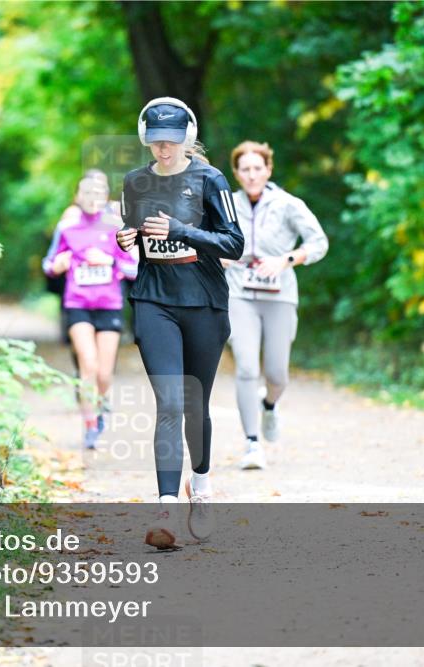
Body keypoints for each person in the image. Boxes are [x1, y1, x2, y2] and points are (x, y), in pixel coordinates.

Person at [115, 97, 244, 548]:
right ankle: (165, 510)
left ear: (187, 138)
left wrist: (180, 231)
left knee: (195, 404)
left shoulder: (210, 179)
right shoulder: (134, 182)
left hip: (204, 301)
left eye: (171, 142)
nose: (163, 150)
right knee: (170, 400)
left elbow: (233, 244)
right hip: (155, 300)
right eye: (155, 142)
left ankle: (202, 487)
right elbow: (136, 238)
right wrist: (125, 239)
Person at [224, 141, 328, 470]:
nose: (252, 175)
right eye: (245, 169)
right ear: (237, 174)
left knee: (277, 373)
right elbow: (209, 239)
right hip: (239, 292)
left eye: (258, 168)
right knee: (245, 367)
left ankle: (269, 405)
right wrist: (219, 255)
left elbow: (319, 242)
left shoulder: (287, 204)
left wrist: (287, 259)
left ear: (268, 169)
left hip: (279, 295)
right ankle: (252, 443)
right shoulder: (226, 205)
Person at [44, 176, 138, 449]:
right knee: (88, 363)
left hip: (109, 305)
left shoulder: (117, 227)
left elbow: (134, 268)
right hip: (78, 304)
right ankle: (89, 424)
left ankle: (101, 401)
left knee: (104, 374)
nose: (92, 196)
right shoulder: (67, 227)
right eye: (86, 191)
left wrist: (109, 261)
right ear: (77, 195)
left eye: (98, 191)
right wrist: (56, 266)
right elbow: (49, 264)